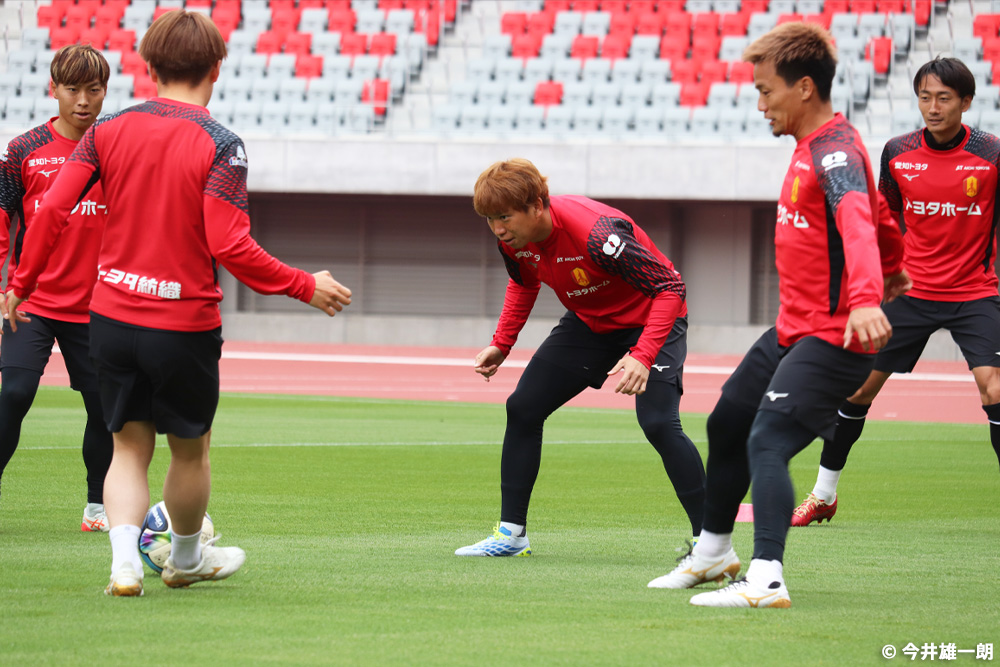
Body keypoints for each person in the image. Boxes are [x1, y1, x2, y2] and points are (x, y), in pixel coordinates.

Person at [2, 11, 353, 597]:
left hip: (110, 315)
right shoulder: (221, 144)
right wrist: (303, 285)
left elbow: (53, 210)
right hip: (181, 321)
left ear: (149, 66)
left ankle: (123, 565)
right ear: (217, 67)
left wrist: (22, 282)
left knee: (127, 448)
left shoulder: (106, 130)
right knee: (190, 452)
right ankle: (186, 558)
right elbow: (230, 245)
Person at [646, 23, 909, 607]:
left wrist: (868, 296)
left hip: (835, 334)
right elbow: (880, 216)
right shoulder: (815, 146)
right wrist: (894, 265)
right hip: (793, 328)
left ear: (805, 88)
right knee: (727, 423)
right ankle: (713, 553)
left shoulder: (834, 152)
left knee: (768, 439)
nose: (761, 103)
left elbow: (856, 221)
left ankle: (766, 579)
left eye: (767, 91)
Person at [455, 158, 706, 557]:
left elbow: (670, 288)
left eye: (504, 217)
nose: (498, 228)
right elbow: (523, 283)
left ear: (537, 206)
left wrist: (643, 354)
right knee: (523, 407)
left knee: (659, 422)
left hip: (652, 316)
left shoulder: (596, 234)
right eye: (489, 219)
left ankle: (710, 542)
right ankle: (511, 536)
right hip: (591, 323)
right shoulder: (513, 241)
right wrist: (502, 343)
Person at [792, 57, 1000, 527]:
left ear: (966, 102)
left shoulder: (991, 155)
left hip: (974, 292)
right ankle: (823, 494)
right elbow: (881, 222)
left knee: (995, 387)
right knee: (858, 389)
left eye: (944, 98)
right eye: (925, 97)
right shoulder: (897, 152)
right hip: (910, 290)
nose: (933, 107)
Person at [0, 44, 113, 532]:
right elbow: (2, 221)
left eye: (93, 90)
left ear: (105, 92)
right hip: (33, 302)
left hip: (99, 308)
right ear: (54, 89)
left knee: (104, 408)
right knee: (14, 393)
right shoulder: (22, 150)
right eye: (72, 89)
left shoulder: (117, 149)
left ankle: (97, 507)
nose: (83, 100)